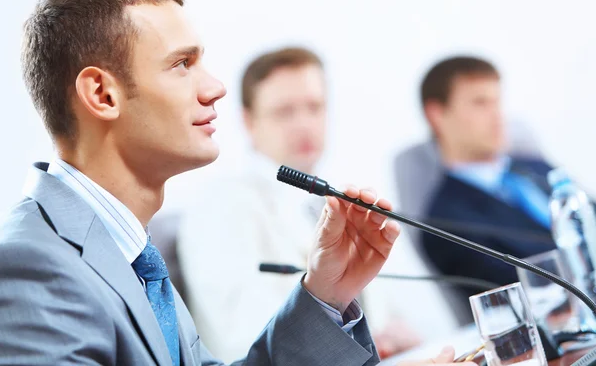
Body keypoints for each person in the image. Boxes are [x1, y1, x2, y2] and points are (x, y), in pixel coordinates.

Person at [0, 0, 471, 366]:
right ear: (102, 95)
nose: (216, 88)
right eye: (182, 64)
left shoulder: (130, 252)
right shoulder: (33, 267)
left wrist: (325, 294)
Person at [178, 47, 457, 362]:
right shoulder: (219, 206)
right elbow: (246, 343)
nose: (304, 124)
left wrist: (416, 337)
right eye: (284, 111)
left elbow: (428, 314)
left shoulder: (348, 194)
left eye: (315, 107)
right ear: (249, 122)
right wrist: (369, 343)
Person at [418, 56, 556, 303]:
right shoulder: (444, 225)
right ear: (436, 114)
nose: (498, 116)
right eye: (480, 103)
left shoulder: (537, 167)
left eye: (497, 101)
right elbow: (524, 290)